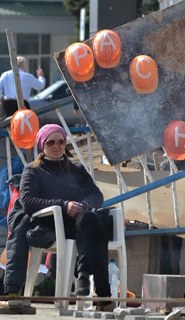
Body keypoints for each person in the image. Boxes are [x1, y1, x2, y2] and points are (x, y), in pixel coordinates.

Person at [17, 124, 115, 310]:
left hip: (80, 223)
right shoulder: (33, 170)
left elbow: (96, 195)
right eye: (51, 142)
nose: (57, 146)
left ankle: (84, 277)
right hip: (51, 226)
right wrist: (63, 205)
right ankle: (103, 295)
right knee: (94, 225)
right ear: (42, 145)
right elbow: (28, 202)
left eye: (61, 142)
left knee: (89, 219)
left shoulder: (76, 168)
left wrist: (83, 206)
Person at [0, 56, 45, 122]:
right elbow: (40, 86)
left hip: (8, 104)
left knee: (9, 124)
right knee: (23, 124)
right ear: (23, 65)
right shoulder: (27, 76)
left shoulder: (5, 75)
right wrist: (41, 77)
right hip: (22, 104)